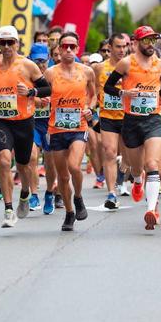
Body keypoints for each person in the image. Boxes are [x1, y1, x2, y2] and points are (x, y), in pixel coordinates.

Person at [104, 26, 161, 230]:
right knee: (136, 168)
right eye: (147, 41)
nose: (151, 45)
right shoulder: (126, 63)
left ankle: (151, 210)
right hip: (131, 121)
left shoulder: (160, 64)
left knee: (152, 164)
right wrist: (124, 94)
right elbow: (108, 87)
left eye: (153, 41)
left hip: (152, 120)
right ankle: (137, 180)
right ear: (137, 42)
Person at [0, 25, 52, 227]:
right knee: (5, 161)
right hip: (2, 120)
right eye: (3, 43)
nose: (6, 47)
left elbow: (47, 88)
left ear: (17, 43)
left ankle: (25, 193)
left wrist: (31, 93)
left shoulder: (28, 65)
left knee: (24, 165)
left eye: (10, 42)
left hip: (24, 121)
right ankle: (8, 209)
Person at [45, 32, 96, 231]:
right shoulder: (50, 73)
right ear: (58, 49)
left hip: (78, 126)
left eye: (72, 46)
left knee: (74, 166)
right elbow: (41, 93)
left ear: (77, 49)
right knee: (63, 176)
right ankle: (69, 212)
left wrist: (90, 107)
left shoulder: (87, 72)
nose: (68, 50)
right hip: (56, 128)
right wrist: (41, 100)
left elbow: (93, 95)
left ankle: (79, 197)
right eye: (64, 46)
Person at [92, 33, 129, 209]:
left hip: (128, 116)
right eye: (118, 47)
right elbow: (92, 90)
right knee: (109, 153)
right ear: (111, 48)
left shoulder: (131, 66)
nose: (122, 50)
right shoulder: (99, 68)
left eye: (124, 46)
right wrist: (90, 107)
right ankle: (111, 193)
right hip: (107, 116)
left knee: (129, 157)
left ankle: (125, 172)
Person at [27, 42, 63, 213]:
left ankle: (49, 192)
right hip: (32, 123)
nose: (39, 65)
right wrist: (35, 100)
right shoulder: (27, 75)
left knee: (50, 163)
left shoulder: (54, 74)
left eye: (42, 60)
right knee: (32, 157)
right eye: (36, 61)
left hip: (50, 124)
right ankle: (34, 194)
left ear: (49, 59)